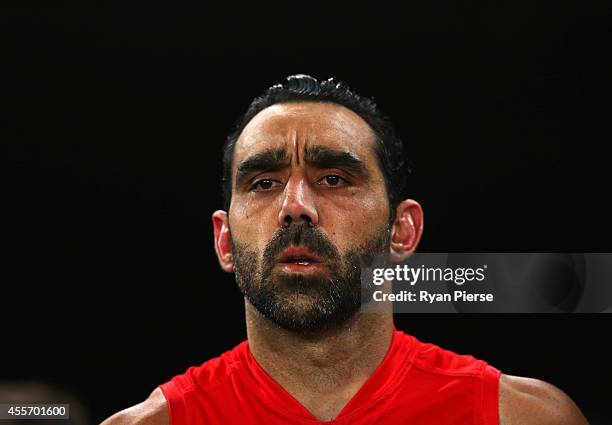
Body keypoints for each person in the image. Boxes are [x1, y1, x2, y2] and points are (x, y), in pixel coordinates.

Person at [102, 75, 589, 424]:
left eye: (333, 179)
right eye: (264, 182)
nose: (296, 207)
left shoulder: (522, 416)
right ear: (224, 240)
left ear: (402, 230)